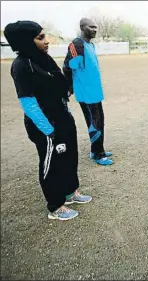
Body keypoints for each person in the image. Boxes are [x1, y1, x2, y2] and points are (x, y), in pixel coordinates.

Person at [5, 21, 92, 221]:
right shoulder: (21, 65)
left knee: (69, 156)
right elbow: (28, 103)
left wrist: (66, 113)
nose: (47, 41)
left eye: (45, 36)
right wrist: (48, 130)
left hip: (62, 118)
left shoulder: (44, 58)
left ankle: (71, 192)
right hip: (45, 125)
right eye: (40, 37)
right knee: (51, 163)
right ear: (26, 41)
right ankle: (55, 205)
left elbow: (58, 84)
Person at [63, 18, 113, 166]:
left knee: (98, 121)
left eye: (96, 27)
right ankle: (98, 154)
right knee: (95, 123)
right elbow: (67, 67)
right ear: (82, 27)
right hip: (86, 93)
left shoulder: (90, 45)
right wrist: (69, 88)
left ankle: (96, 149)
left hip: (94, 92)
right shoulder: (77, 44)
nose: (95, 30)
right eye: (91, 27)